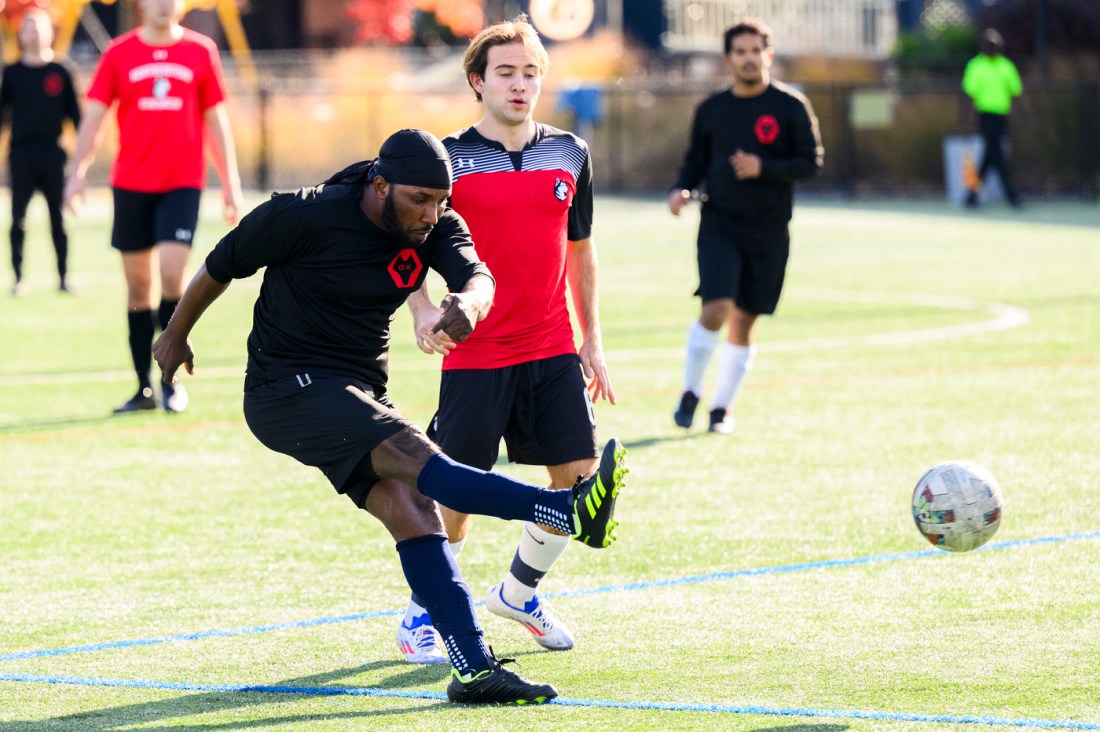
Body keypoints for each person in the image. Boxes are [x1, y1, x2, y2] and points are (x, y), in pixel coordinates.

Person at [151, 128, 627, 705]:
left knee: (416, 513)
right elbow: (221, 264)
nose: (432, 213)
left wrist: (470, 304)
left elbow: (480, 276)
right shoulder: (303, 214)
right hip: (286, 387)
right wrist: (174, 335)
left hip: (356, 390)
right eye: (419, 199)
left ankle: (474, 671)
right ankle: (564, 508)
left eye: (442, 200)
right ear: (380, 186)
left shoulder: (434, 226)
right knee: (417, 458)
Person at [400, 15, 618, 664]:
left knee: (578, 488)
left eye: (530, 73)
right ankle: (422, 615)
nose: (520, 85)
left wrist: (592, 340)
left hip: (551, 346)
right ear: (477, 80)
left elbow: (581, 252)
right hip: (476, 352)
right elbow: (406, 241)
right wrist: (418, 309)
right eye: (506, 73)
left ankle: (519, 593)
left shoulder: (570, 153)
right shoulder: (447, 159)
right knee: (456, 496)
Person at [63, 0, 243, 414]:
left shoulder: (201, 51)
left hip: (181, 185)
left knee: (171, 273)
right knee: (138, 289)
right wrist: (77, 172)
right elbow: (94, 117)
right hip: (131, 185)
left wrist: (230, 183)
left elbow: (216, 120)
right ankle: (142, 387)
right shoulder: (118, 54)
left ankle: (171, 381)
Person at [668, 18, 822, 435]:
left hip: (769, 230)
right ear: (728, 59)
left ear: (768, 55)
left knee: (745, 322)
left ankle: (721, 410)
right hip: (719, 223)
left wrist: (763, 167)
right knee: (715, 308)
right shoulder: (712, 110)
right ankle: (690, 391)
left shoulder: (790, 106)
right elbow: (694, 161)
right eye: (741, 51)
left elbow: (812, 162)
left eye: (757, 50)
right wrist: (682, 188)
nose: (749, 58)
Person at [0, 9, 82, 296]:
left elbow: (77, 118)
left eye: (39, 27)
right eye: (28, 28)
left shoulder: (60, 71)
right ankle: (19, 278)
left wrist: (81, 158)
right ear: (21, 34)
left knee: (57, 219)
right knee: (18, 219)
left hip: (52, 155)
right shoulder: (11, 73)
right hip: (21, 155)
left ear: (50, 32)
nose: (33, 33)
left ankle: (63, 277)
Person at [962, 29, 1022, 208]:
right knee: (998, 156)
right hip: (986, 117)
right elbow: (969, 96)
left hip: (1001, 117)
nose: (992, 48)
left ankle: (971, 196)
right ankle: (1011, 195)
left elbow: (1016, 93)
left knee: (990, 157)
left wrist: (1028, 116)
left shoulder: (1006, 66)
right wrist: (968, 123)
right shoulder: (976, 66)